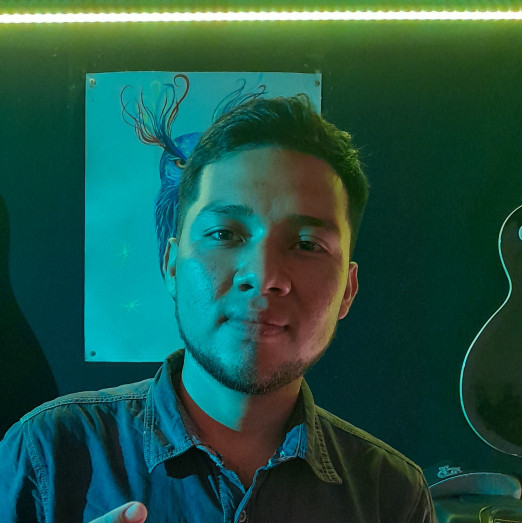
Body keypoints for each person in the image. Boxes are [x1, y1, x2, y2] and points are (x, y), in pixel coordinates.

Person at [0, 95, 436, 522]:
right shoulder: (47, 454)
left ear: (347, 291)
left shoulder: (392, 497)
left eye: (306, 244)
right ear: (172, 265)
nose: (263, 275)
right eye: (225, 235)